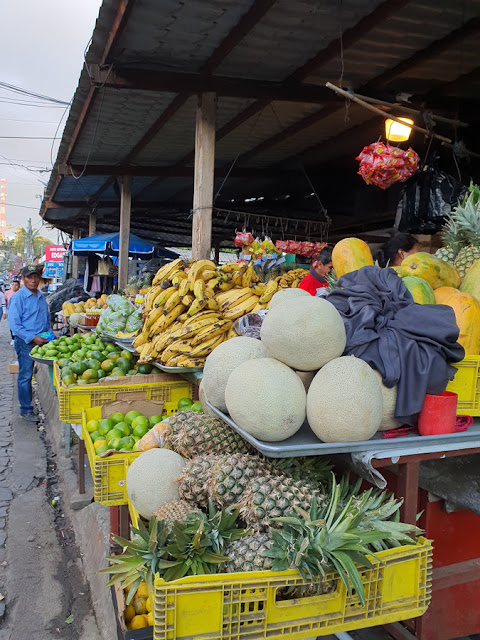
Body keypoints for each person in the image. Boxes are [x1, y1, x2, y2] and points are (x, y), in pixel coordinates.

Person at [8, 266, 50, 422]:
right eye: (29, 277)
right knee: (25, 375)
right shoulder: (18, 298)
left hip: (42, 340)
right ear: (23, 279)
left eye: (35, 277)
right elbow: (15, 326)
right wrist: (33, 338)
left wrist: (49, 334)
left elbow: (45, 319)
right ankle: (25, 410)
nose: (33, 280)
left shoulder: (41, 296)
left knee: (32, 373)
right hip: (26, 342)